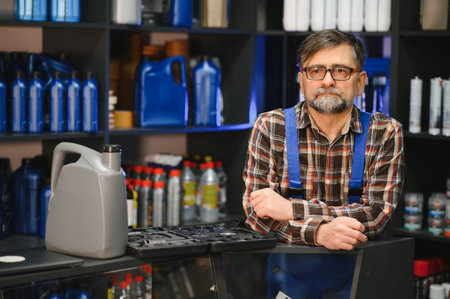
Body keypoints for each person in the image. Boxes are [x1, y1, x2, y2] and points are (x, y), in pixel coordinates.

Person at [242, 28, 405, 298]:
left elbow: (376, 217)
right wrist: (319, 234)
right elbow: (256, 217)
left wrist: (289, 208)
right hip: (288, 285)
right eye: (316, 70)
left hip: (359, 281)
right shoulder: (270, 126)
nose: (327, 80)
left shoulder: (385, 131)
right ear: (301, 79)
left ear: (360, 81)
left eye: (340, 70)